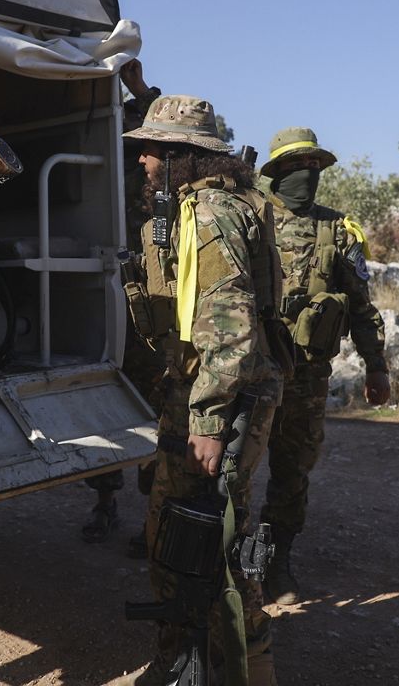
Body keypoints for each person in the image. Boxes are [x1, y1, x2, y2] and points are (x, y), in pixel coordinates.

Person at [118, 95, 285, 684]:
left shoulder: (209, 215)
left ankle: (240, 667)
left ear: (181, 155)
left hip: (220, 398)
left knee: (210, 541)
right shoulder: (211, 205)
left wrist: (208, 423)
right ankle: (188, 657)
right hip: (202, 390)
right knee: (181, 531)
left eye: (154, 150)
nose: (142, 160)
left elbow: (231, 330)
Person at [256, 127, 390, 604]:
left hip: (307, 375)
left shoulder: (338, 230)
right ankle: (221, 558)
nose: (307, 176)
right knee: (228, 467)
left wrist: (377, 365)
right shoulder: (250, 218)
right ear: (277, 173)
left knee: (292, 470)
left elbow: (360, 305)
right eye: (297, 167)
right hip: (250, 371)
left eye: (314, 167)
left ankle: (275, 561)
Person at [82, 59, 165, 548]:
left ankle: (154, 517)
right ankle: (104, 501)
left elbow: (173, 132)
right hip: (117, 295)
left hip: (155, 304)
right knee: (108, 403)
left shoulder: (160, 167)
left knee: (158, 407)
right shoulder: (107, 147)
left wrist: (139, 87)